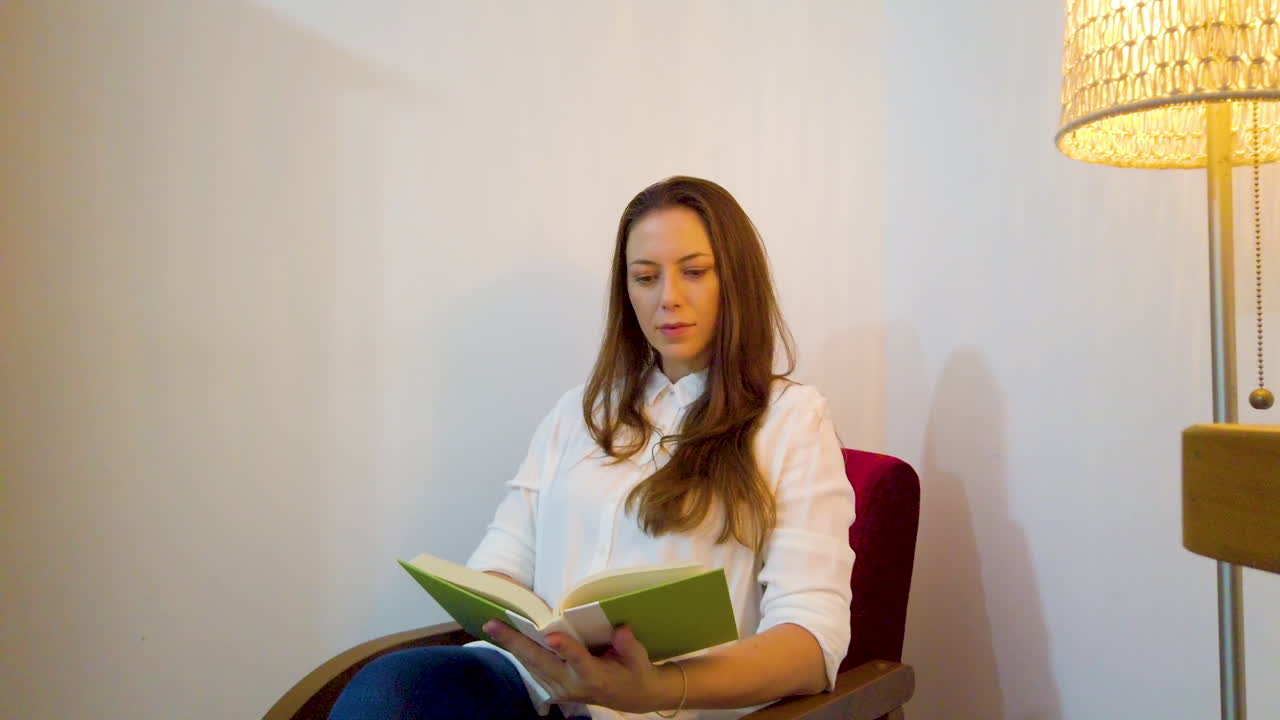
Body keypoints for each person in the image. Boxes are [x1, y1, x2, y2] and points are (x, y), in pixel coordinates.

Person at [329, 176, 856, 719]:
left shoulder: (791, 420)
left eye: (694, 272)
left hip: (660, 707)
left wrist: (659, 687)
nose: (668, 297)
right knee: (393, 688)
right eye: (645, 277)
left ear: (736, 280)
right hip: (530, 689)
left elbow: (812, 642)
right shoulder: (581, 411)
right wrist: (511, 609)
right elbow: (504, 559)